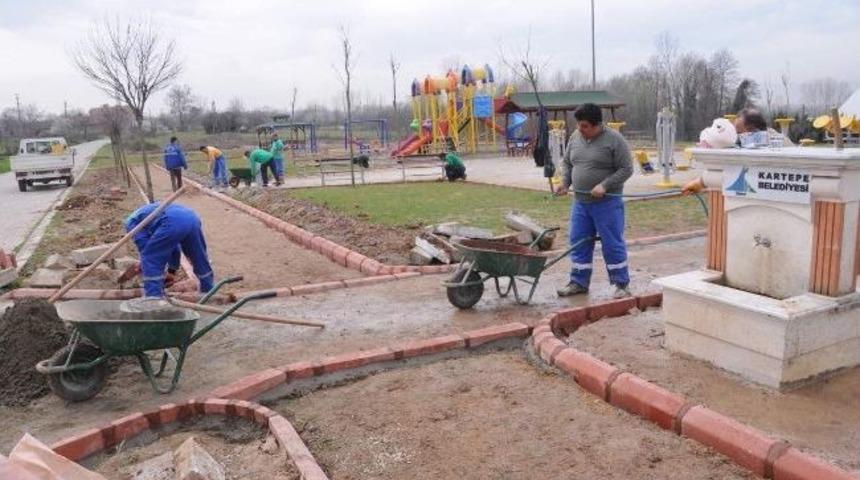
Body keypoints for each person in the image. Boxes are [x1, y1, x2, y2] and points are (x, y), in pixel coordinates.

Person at [555, 103, 634, 299]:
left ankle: (621, 284)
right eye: (578, 125)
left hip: (607, 204)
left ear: (597, 124)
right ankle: (578, 282)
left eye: (584, 126)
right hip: (581, 204)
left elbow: (626, 169)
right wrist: (564, 182)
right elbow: (568, 163)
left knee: (612, 243)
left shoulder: (615, 140)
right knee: (578, 241)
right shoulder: (575, 137)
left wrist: (605, 185)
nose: (580, 129)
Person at [121, 203, 215, 298]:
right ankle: (209, 290)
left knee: (150, 258)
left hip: (171, 221)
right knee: (198, 256)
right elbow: (174, 248)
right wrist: (171, 271)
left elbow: (147, 250)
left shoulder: (131, 223)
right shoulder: (149, 212)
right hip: (192, 218)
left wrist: (144, 264)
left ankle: (153, 296)